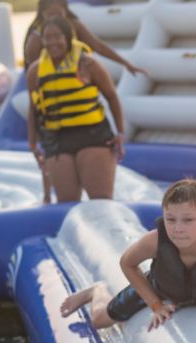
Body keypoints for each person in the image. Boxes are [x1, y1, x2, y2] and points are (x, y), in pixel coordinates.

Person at [60, 178, 196, 332]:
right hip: (163, 289)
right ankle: (96, 291)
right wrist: (155, 304)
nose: (178, 228)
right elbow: (127, 263)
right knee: (99, 321)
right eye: (170, 220)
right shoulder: (154, 240)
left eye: (188, 220)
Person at [26, 16, 126, 203]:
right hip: (56, 139)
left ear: (68, 38)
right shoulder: (36, 71)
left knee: (101, 200)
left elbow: (112, 96)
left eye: (57, 37)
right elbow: (34, 110)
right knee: (67, 201)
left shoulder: (88, 64)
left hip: (93, 135)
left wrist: (120, 132)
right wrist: (32, 144)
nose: (52, 42)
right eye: (47, 38)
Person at [23, 0, 144, 76]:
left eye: (59, 14)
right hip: (50, 81)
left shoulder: (74, 25)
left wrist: (126, 64)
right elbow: (32, 70)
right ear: (42, 14)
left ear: (65, 11)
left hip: (75, 76)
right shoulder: (36, 37)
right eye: (51, 14)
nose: (56, 19)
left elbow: (98, 46)